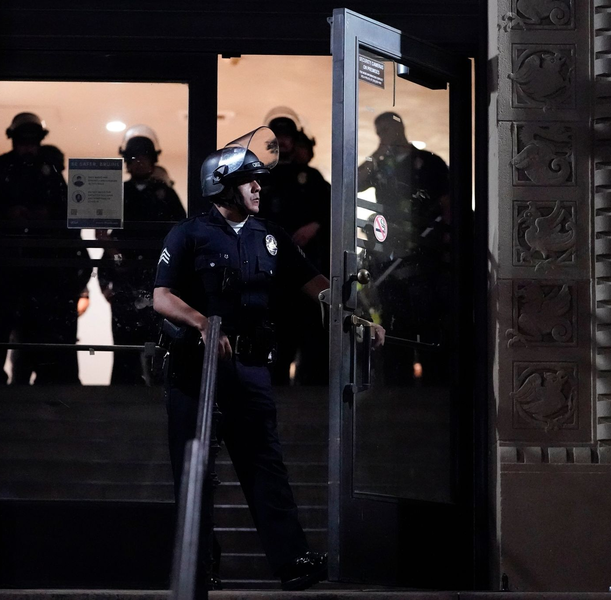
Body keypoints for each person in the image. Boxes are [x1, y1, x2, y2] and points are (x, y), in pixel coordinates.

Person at [153, 127, 386, 594]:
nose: (260, 186)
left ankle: (292, 561)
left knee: (266, 466)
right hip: (196, 371)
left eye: (260, 179)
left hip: (251, 370)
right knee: (195, 469)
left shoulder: (269, 236)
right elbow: (161, 296)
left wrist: (357, 314)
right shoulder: (189, 234)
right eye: (249, 179)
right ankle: (197, 566)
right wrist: (202, 323)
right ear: (223, 184)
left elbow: (313, 281)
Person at [0, 112, 90, 385]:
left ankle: (38, 378)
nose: (28, 147)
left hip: (41, 267)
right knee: (1, 324)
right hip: (8, 263)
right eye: (23, 141)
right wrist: (8, 215)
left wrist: (46, 217)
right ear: (13, 140)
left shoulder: (50, 172)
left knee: (37, 327)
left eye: (32, 142)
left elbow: (68, 214)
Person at [357, 111, 450, 385]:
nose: (387, 134)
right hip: (390, 257)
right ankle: (397, 388)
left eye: (389, 129)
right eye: (381, 131)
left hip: (426, 257)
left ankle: (436, 387)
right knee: (396, 323)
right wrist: (377, 153)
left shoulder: (430, 163)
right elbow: (355, 182)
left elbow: (448, 204)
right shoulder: (381, 164)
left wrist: (445, 243)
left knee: (430, 322)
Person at [97, 125, 186, 385]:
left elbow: (180, 232)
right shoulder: (117, 191)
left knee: (158, 341)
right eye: (134, 159)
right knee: (124, 343)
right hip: (124, 275)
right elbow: (106, 239)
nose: (139, 163)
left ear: (152, 160)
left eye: (144, 158)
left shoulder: (164, 193)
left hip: (156, 276)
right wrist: (105, 282)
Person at [258, 107, 331, 385]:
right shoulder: (259, 176)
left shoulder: (310, 178)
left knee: (313, 344)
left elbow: (334, 212)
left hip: (308, 274)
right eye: (278, 136)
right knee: (276, 347)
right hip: (271, 276)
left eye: (288, 136)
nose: (283, 142)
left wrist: (316, 226)